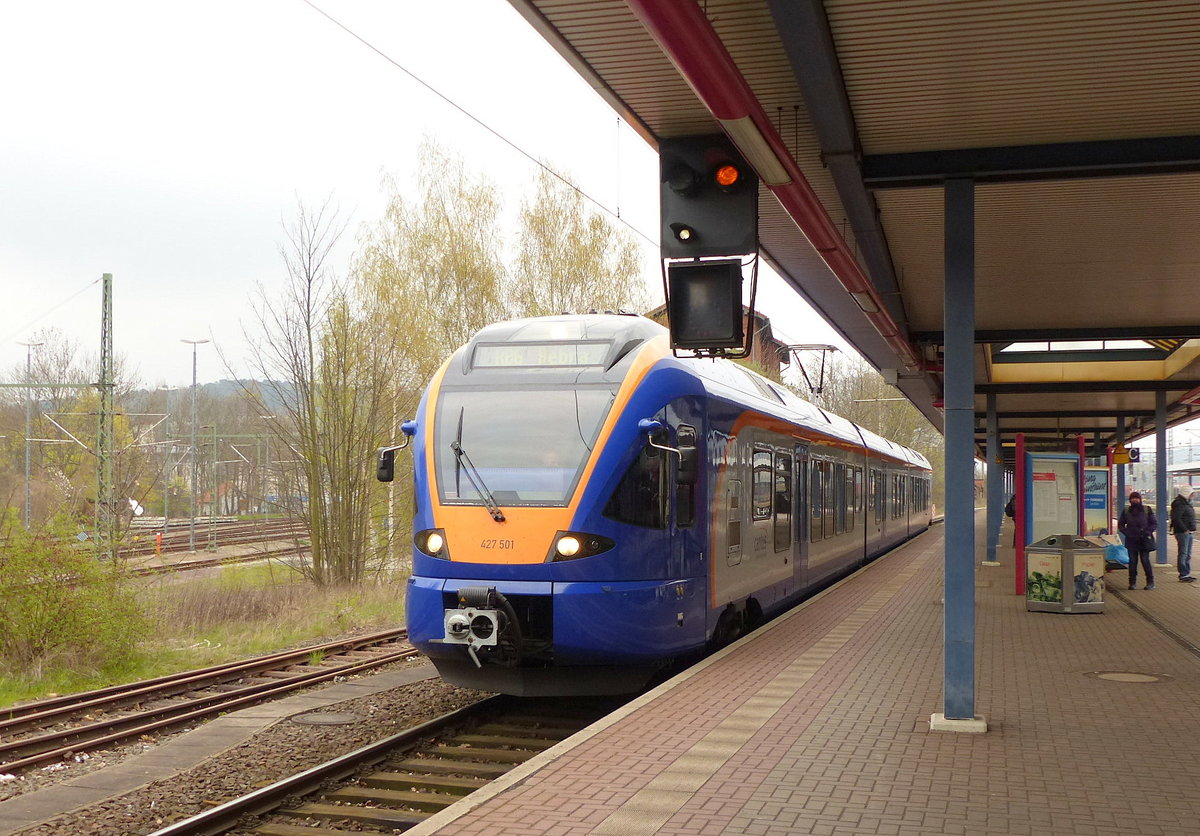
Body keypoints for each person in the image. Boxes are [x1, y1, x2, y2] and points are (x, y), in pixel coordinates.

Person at [1118, 492, 1157, 590]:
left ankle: (1150, 582)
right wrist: (1127, 532)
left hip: (1144, 540)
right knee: (1132, 562)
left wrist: (1148, 532)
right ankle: (1132, 582)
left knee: (1145, 561)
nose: (1135, 500)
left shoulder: (1147, 509)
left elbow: (1153, 523)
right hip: (1131, 540)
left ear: (1140, 499)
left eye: (1137, 498)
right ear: (1130, 500)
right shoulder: (1126, 511)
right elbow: (1121, 525)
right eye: (1133, 498)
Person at [1170, 488, 1197, 582]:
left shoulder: (1186, 503)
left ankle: (1186, 573)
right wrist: (1184, 529)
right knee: (1183, 553)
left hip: (1188, 532)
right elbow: (1176, 518)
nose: (1193, 496)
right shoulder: (1179, 504)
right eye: (1191, 494)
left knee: (1187, 554)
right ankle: (1183, 574)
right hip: (1183, 532)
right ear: (1186, 494)